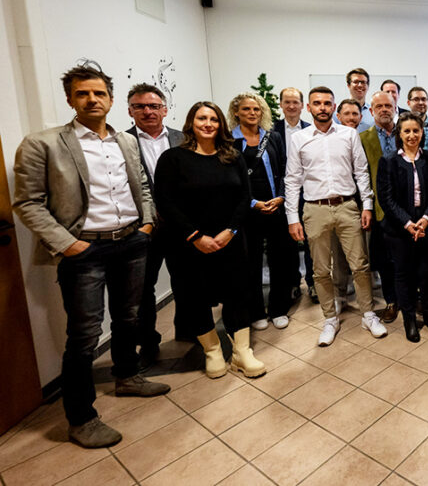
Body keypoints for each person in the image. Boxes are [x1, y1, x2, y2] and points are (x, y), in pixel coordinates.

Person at [13, 65, 168, 448]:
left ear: (111, 100)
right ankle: (81, 417)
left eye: (99, 94)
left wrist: (147, 224)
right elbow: (28, 202)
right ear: (70, 99)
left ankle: (127, 375)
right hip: (85, 249)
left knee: (128, 316)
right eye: (83, 94)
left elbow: (143, 188)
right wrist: (67, 244)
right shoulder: (44, 143)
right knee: (84, 335)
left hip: (131, 241)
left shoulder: (126, 143)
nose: (92, 100)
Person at [155, 102, 267, 382]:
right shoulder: (173, 159)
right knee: (195, 296)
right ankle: (213, 350)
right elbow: (165, 202)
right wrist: (195, 236)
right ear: (191, 122)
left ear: (221, 124)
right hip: (190, 243)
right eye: (201, 118)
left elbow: (244, 197)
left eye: (213, 119)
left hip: (229, 239)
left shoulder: (233, 157)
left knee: (237, 293)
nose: (208, 124)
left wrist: (231, 230)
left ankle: (242, 352)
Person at [285, 86, 386, 346]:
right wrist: (292, 218)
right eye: (317, 103)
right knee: (320, 269)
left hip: (347, 206)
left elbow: (361, 172)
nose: (322, 107)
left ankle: (368, 313)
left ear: (333, 108)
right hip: (314, 209)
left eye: (327, 103)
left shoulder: (348, 134)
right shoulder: (299, 138)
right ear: (309, 108)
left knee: (360, 265)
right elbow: (292, 180)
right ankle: (330, 318)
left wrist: (366, 206)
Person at [125, 83, 183, 364]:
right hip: (144, 229)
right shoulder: (120, 143)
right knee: (143, 288)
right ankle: (148, 340)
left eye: (154, 106)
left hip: (182, 226)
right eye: (140, 106)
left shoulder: (183, 139)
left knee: (185, 279)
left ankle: (190, 328)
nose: (148, 111)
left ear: (165, 110)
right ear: (130, 111)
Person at [228, 93, 296, 330]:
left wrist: (280, 197)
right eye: (246, 109)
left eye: (256, 109)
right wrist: (253, 203)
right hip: (247, 212)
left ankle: (279, 308)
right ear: (236, 112)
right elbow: (229, 179)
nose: (252, 113)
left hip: (275, 208)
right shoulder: (229, 141)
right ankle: (256, 311)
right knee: (251, 263)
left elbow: (285, 169)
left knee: (281, 260)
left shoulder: (273, 137)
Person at [377, 113, 428, 342]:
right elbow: (386, 198)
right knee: (403, 274)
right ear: (399, 134)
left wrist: (426, 218)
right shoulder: (388, 161)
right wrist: (408, 223)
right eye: (406, 131)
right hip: (399, 230)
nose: (412, 135)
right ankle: (409, 320)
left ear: (421, 132)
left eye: (416, 130)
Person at [360, 91, 400, 323]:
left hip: (407, 208)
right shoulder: (363, 138)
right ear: (372, 110)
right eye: (379, 106)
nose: (384, 109)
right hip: (379, 209)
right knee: (386, 261)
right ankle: (391, 301)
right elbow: (361, 175)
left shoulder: (406, 132)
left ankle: (407, 296)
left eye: (388, 105)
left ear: (395, 107)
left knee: (408, 257)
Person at [273, 87, 315, 302]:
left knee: (310, 241)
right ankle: (292, 282)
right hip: (282, 194)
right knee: (287, 242)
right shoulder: (271, 131)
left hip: (307, 193)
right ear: (281, 104)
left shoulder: (311, 130)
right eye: (287, 102)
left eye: (295, 102)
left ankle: (312, 282)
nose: (291, 106)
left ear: (302, 105)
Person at [346, 68, 374, 132]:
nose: (360, 85)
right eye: (356, 82)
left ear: (368, 86)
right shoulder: (337, 111)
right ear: (348, 85)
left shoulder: (373, 112)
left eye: (363, 82)